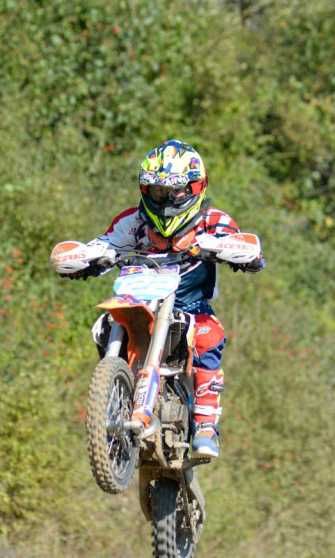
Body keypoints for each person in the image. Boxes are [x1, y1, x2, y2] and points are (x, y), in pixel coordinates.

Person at [60, 139, 264, 459]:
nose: (167, 200)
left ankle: (206, 424)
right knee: (104, 325)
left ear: (195, 188)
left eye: (176, 192)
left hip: (190, 307)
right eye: (158, 191)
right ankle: (116, 393)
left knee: (209, 335)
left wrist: (230, 250)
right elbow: (106, 244)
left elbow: (246, 247)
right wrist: (84, 258)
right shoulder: (133, 222)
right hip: (138, 302)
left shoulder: (214, 221)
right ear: (146, 190)